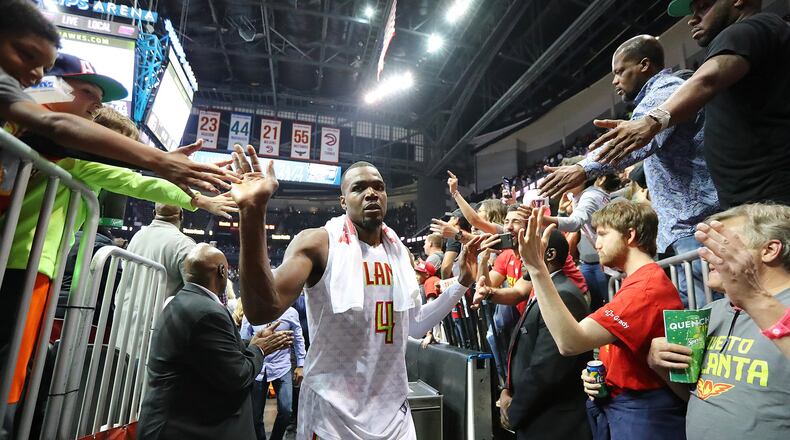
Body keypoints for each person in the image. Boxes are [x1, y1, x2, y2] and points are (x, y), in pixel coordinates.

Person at [0, 104, 232, 429]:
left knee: (18, 360)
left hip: (31, 259)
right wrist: (195, 199)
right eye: (122, 146)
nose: (123, 156)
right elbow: (135, 182)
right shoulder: (83, 159)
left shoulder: (73, 166)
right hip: (29, 259)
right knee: (12, 364)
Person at [228, 146, 479, 439]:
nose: (371, 193)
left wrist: (461, 283)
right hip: (333, 417)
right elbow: (261, 310)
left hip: (393, 414)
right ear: (343, 200)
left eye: (379, 187)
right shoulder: (318, 244)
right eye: (359, 188)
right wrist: (253, 213)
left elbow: (416, 324)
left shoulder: (399, 254)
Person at [539, 35, 720, 308]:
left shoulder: (666, 90)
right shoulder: (661, 94)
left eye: (619, 71)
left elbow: (636, 142)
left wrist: (582, 167)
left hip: (694, 230)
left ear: (644, 65)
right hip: (687, 230)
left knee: (711, 318)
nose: (614, 81)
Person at [0, 1, 233, 194]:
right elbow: (57, 125)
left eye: (43, 67)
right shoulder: (9, 89)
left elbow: (99, 154)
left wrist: (166, 163)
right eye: (26, 54)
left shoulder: (29, 133)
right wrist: (162, 161)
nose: (37, 75)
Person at [587, 1, 790, 209]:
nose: (693, 19)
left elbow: (707, 80)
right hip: (760, 198)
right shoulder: (763, 34)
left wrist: (652, 121)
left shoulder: (746, 29)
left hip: (769, 201)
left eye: (703, 6)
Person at [518, 201, 686, 439]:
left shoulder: (645, 289)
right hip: (630, 408)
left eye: (603, 235)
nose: (596, 244)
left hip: (645, 415)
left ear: (630, 235)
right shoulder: (638, 282)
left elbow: (570, 342)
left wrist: (537, 269)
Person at [647, 203, 790, 439]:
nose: (706, 256)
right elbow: (700, 395)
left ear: (769, 250)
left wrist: (753, 298)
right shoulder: (712, 311)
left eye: (723, 244)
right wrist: (660, 365)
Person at [138, 244, 293, 440]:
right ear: (222, 271)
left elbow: (210, 353)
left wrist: (250, 342)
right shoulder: (208, 312)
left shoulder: (183, 301)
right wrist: (259, 350)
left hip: (172, 421)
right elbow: (238, 375)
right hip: (185, 428)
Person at [497, 229, 592, 440]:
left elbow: (546, 369)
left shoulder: (564, 295)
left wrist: (515, 410)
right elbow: (523, 352)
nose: (519, 255)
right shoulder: (545, 290)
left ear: (549, 255)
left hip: (554, 424)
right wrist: (507, 390)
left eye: (527, 248)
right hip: (537, 417)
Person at [541, 172, 621, 310]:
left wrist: (541, 219)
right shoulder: (584, 196)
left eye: (567, 176)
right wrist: (561, 211)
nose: (563, 182)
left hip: (614, 261)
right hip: (607, 262)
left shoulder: (589, 196)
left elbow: (575, 223)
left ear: (582, 178)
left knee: (616, 306)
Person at [241, 308, 306, 440]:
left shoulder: (290, 312)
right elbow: (243, 340)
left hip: (282, 367)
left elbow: (298, 338)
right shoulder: (251, 311)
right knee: (255, 416)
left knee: (286, 410)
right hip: (258, 368)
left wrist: (301, 364)